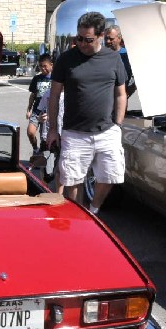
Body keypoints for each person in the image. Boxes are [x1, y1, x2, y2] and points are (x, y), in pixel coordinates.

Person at [46, 11, 127, 215]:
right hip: (75, 133)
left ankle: (93, 210)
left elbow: (121, 93)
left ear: (100, 36)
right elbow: (54, 95)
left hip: (107, 131)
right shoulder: (66, 59)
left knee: (110, 176)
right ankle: (77, 216)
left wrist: (118, 124)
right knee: (72, 180)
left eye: (87, 39)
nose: (81, 43)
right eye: (78, 38)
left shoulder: (114, 59)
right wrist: (53, 130)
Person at [25, 54, 53, 155]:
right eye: (40, 66)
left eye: (45, 66)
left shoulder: (56, 78)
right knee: (30, 132)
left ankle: (43, 156)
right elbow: (33, 95)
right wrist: (29, 109)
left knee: (44, 137)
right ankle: (35, 148)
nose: (42, 68)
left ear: (51, 65)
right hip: (37, 110)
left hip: (50, 111)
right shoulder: (37, 78)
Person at [104, 25, 136, 97]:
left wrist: (127, 92)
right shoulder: (99, 56)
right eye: (106, 38)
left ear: (119, 38)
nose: (107, 41)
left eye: (111, 39)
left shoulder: (128, 55)